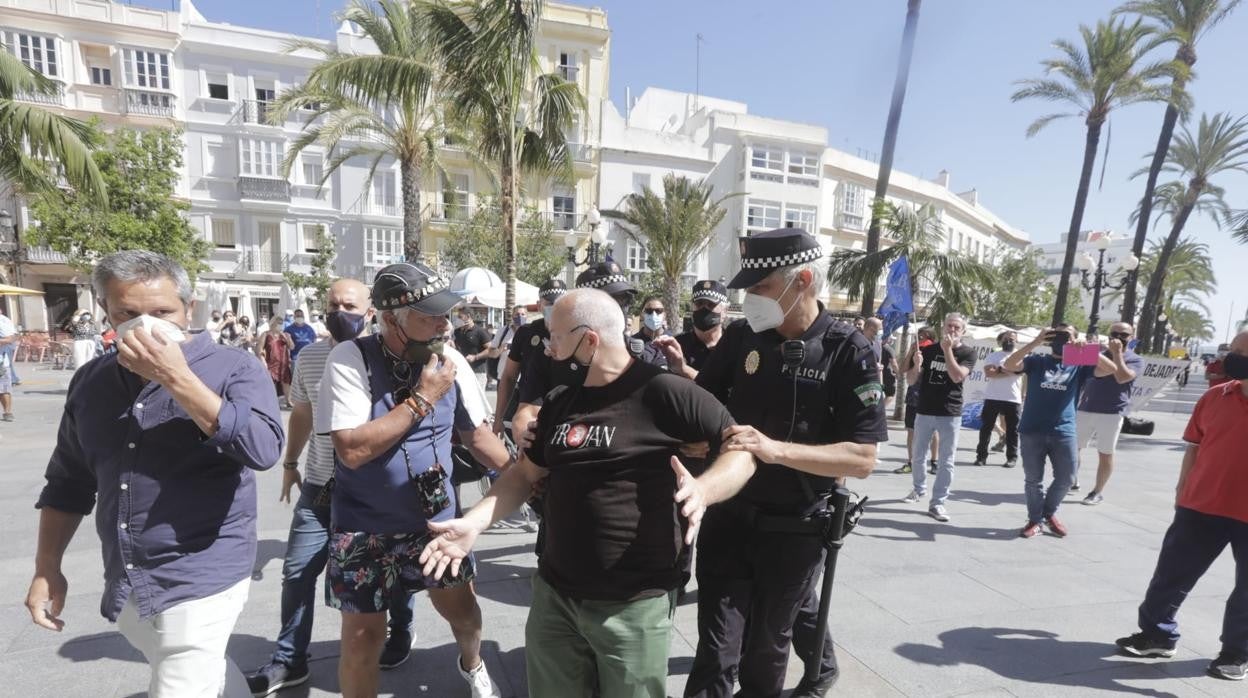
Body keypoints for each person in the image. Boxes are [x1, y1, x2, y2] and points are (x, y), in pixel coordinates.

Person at [421, 288, 757, 698]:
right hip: (554, 598)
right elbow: (525, 475)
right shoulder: (561, 402)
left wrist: (703, 489)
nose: (548, 348)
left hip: (634, 603)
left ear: (590, 340)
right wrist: (474, 523)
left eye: (555, 337)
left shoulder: (665, 392)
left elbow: (742, 450)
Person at [25, 250, 284, 697]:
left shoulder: (234, 368)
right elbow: (69, 480)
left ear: (189, 309)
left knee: (183, 678)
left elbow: (262, 450)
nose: (145, 324)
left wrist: (176, 378)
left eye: (162, 312)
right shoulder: (91, 381)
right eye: (128, 313)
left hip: (205, 569)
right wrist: (47, 566)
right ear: (106, 311)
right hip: (127, 571)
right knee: (194, 666)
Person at [685, 228, 887, 698]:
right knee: (716, 651)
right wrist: (695, 438)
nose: (750, 298)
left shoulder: (848, 350)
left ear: (803, 281)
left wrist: (774, 449)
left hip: (795, 528)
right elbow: (700, 404)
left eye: (761, 287)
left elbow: (863, 458)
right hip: (730, 516)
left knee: (765, 652)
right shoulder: (741, 336)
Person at [317, 262, 511, 698]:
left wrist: (529, 479)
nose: (445, 324)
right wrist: (424, 398)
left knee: (463, 614)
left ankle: (473, 663)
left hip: (436, 523)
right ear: (390, 320)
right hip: (363, 525)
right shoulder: (351, 359)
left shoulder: (451, 360)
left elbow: (477, 436)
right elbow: (352, 450)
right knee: (362, 639)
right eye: (430, 316)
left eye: (445, 313)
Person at [1114, 329, 1248, 682]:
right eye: (1231, 350)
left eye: (1240, 352)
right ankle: (1157, 635)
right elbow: (1194, 445)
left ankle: (1236, 652)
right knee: (1170, 575)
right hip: (1201, 505)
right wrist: (1181, 489)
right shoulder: (1215, 396)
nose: (1230, 358)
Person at [1003, 324, 1116, 538]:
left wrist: (1087, 349)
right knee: (1033, 479)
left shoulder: (1079, 364)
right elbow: (1009, 364)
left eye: (1068, 336)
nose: (1062, 340)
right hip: (1032, 429)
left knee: (1067, 477)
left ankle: (1048, 512)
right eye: (1058, 335)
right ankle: (1035, 520)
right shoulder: (1037, 361)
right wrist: (1036, 342)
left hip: (1064, 430)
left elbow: (1110, 369)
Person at [901, 313, 977, 522]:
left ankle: (938, 503)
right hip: (925, 410)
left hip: (949, 413)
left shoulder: (968, 352)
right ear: (943, 327)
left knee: (946, 460)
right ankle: (918, 489)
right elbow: (911, 379)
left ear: (963, 331)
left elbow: (957, 376)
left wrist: (947, 351)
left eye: (956, 328)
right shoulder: (929, 350)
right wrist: (916, 365)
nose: (952, 330)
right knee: (918, 455)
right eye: (949, 326)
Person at [1075, 322, 1145, 505]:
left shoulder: (1136, 360)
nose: (1118, 337)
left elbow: (1122, 377)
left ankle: (1097, 492)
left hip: (1113, 412)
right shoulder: (1096, 354)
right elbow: (1078, 370)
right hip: (1085, 408)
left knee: (1105, 453)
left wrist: (1117, 354)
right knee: (1072, 449)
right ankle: (1070, 479)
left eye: (1124, 334)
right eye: (1115, 333)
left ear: (1131, 338)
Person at [493, 279, 566, 437]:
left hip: (563, 417)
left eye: (560, 303)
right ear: (539, 306)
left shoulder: (575, 333)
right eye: (550, 303)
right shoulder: (526, 333)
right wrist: (498, 417)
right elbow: (509, 376)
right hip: (528, 417)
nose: (555, 308)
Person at [659, 279, 729, 381]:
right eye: (699, 304)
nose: (704, 309)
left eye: (711, 305)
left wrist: (684, 370)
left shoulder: (734, 345)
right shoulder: (678, 345)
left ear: (725, 311)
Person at [974, 330, 1024, 468]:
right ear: (1001, 340)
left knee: (1012, 430)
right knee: (986, 428)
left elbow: (1021, 372)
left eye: (1012, 339)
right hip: (992, 396)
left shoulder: (1020, 355)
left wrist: (1001, 370)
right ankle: (981, 457)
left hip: (1013, 398)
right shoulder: (993, 355)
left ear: (1017, 341)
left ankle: (1011, 458)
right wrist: (1011, 372)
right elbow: (990, 373)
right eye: (1006, 339)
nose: (1009, 341)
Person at [893, 327, 939, 475]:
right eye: (919, 335)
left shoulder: (934, 351)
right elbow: (902, 370)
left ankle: (934, 461)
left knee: (933, 431)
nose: (920, 338)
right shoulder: (916, 351)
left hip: (930, 396)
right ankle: (911, 462)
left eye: (923, 336)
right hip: (914, 395)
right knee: (911, 430)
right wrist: (911, 352)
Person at [484, 305, 526, 390]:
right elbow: (491, 353)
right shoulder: (503, 331)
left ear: (526, 316)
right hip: (504, 377)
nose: (520, 317)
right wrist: (500, 349)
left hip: (524, 378)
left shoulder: (531, 332)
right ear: (512, 316)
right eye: (517, 314)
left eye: (523, 314)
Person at [259, 316, 294, 409]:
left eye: (281, 322)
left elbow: (292, 347)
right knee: (271, 382)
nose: (280, 325)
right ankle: (273, 402)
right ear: (273, 323)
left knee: (286, 382)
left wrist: (287, 338)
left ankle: (288, 401)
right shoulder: (266, 334)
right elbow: (259, 349)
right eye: (278, 322)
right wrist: (262, 360)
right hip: (271, 362)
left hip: (283, 362)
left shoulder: (286, 334)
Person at [452, 309, 492, 381]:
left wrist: (476, 357)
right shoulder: (457, 332)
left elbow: (491, 350)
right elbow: (454, 346)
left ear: (468, 316)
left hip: (478, 372)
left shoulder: (480, 331)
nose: (458, 319)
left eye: (460, 317)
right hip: (462, 371)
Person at [0, 306, 21, 385]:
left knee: (5, 365)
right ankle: (13, 379)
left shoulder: (2, 322)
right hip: (8, 346)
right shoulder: (5, 319)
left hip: (5, 346)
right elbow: (15, 335)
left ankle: (10, 380)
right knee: (7, 364)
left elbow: (10, 338)